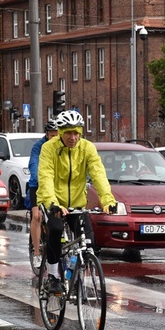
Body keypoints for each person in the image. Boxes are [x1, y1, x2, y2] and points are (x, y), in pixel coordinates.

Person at [36, 110, 116, 293]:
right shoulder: (49, 148)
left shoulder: (87, 148)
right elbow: (46, 176)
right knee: (55, 230)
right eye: (69, 133)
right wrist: (52, 202)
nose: (73, 137)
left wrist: (108, 200)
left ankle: (76, 273)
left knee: (89, 241)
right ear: (61, 133)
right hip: (53, 202)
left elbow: (98, 174)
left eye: (76, 133)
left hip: (77, 203)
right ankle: (53, 276)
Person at [27, 119, 58, 270]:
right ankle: (37, 253)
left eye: (57, 135)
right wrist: (41, 178)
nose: (54, 139)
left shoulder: (61, 146)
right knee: (37, 216)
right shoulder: (38, 147)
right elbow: (34, 165)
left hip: (55, 187)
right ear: (46, 134)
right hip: (37, 186)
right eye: (52, 136)